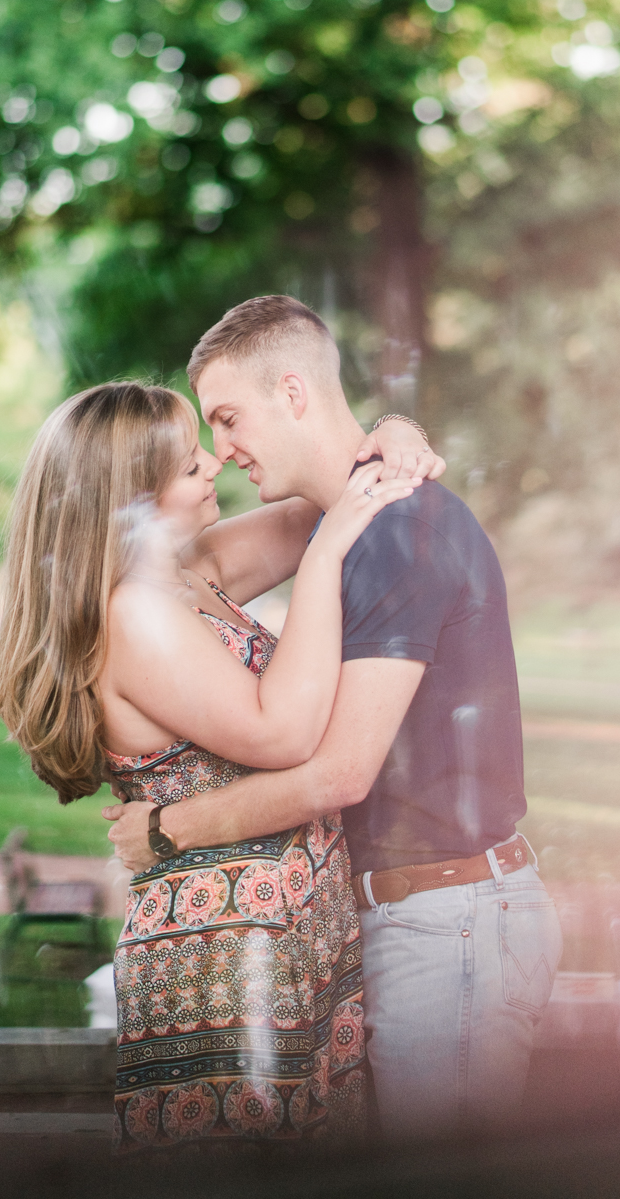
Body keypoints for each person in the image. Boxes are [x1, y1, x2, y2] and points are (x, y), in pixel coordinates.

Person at [105, 296, 564, 1142]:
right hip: (410, 920)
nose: (223, 450)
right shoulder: (354, 524)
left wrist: (168, 828)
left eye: (230, 419)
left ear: (293, 391)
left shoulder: (394, 532)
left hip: (448, 921)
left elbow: (338, 771)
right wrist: (391, 426)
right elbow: (225, 566)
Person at [0, 380, 437, 1152]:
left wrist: (393, 426)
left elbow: (324, 499)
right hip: (224, 957)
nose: (211, 461)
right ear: (130, 493)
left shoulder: (190, 573)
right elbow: (284, 730)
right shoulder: (133, 614)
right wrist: (326, 559)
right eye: (187, 460)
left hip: (287, 928)